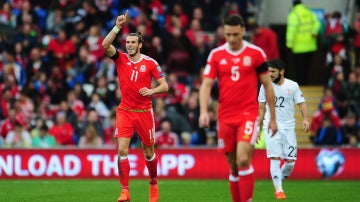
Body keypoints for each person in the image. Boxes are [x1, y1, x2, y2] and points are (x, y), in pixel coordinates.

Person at [199, 14, 278, 202]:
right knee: (233, 165)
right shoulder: (216, 55)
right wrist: (203, 111)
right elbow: (206, 84)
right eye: (228, 35)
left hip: (248, 114)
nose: (232, 39)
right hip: (225, 116)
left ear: (243, 30)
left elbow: (267, 85)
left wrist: (272, 117)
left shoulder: (256, 54)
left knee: (243, 159)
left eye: (235, 34)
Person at [101, 10, 168, 202]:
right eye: (127, 42)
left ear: (140, 45)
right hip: (125, 111)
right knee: (122, 149)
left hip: (144, 112)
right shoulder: (120, 59)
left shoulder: (150, 63)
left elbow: (165, 86)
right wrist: (117, 27)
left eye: (133, 43)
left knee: (149, 152)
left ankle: (153, 183)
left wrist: (151, 91)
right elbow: (105, 45)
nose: (129, 45)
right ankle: (124, 191)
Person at [258, 59, 310, 200]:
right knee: (274, 157)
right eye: (268, 72)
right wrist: (257, 126)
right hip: (271, 126)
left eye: (273, 72)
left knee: (290, 162)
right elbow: (261, 107)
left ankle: (277, 180)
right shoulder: (265, 86)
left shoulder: (292, 86)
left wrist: (305, 119)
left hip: (288, 128)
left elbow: (301, 103)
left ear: (281, 71)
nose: (270, 75)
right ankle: (279, 190)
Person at [286, 0, 320, 85]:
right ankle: (306, 84)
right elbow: (318, 23)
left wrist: (289, 44)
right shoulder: (309, 12)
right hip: (311, 46)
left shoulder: (293, 14)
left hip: (299, 47)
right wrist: (314, 32)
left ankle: (301, 86)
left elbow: (291, 30)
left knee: (299, 69)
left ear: (293, 6)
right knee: (307, 68)